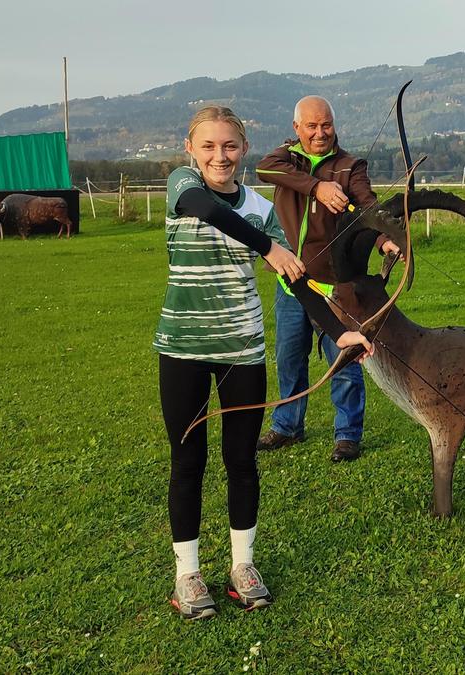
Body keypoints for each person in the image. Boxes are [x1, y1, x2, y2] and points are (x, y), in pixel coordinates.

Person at [156, 105, 374, 620]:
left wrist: (338, 329)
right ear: (192, 150)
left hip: (242, 351)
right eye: (208, 146)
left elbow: (296, 279)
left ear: (244, 149)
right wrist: (267, 249)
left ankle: (242, 567)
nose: (219, 155)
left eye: (229, 146)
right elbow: (206, 210)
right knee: (188, 462)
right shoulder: (181, 184)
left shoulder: (259, 205)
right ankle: (188, 574)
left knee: (241, 462)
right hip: (183, 349)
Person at [256, 95, 398, 462]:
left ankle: (347, 434)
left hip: (333, 285)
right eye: (312, 126)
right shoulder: (283, 161)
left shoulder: (350, 166)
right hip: (290, 280)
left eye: (327, 125)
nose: (320, 133)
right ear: (296, 129)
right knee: (289, 357)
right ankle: (287, 426)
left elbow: (369, 209)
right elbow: (264, 168)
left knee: (343, 356)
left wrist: (384, 239)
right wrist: (316, 187)